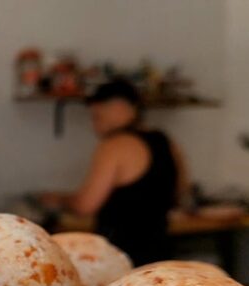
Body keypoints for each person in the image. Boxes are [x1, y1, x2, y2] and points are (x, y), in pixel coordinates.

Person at [41, 79, 189, 265]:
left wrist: (58, 200)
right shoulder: (166, 142)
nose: (94, 125)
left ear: (120, 107)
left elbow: (85, 205)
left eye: (97, 116)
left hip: (121, 256)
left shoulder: (115, 145)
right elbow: (181, 192)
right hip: (160, 253)